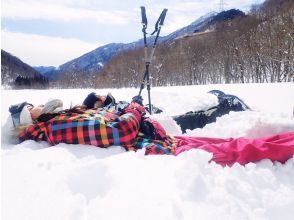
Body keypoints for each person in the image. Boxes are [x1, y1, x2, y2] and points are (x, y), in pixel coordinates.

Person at [6, 95, 294, 167]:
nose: (39, 104)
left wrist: (102, 105)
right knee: (242, 150)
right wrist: (135, 108)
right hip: (161, 149)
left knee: (233, 142)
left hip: (160, 138)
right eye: (31, 107)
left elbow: (104, 124)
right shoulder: (57, 126)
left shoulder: (61, 119)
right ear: (28, 122)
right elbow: (119, 133)